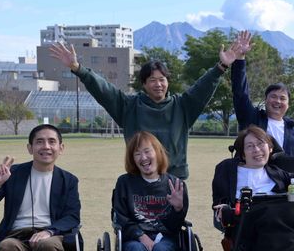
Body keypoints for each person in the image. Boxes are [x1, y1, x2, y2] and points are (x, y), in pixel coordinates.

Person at [49, 38, 244, 179]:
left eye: (162, 79)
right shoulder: (129, 107)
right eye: (152, 80)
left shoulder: (182, 106)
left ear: (168, 82)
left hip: (174, 180)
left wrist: (221, 66)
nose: (158, 84)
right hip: (138, 180)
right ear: (144, 84)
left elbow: (202, 87)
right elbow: (104, 90)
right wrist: (77, 68)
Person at [231, 30, 294, 206]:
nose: (277, 101)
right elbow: (240, 93)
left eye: (282, 98)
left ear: (288, 104)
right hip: (255, 186)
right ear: (265, 100)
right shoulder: (253, 119)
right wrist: (240, 59)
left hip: (286, 190)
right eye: (273, 97)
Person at [212, 125, 294, 251]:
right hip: (245, 226)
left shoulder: (279, 174)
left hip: (283, 232)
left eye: (261, 144)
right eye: (250, 146)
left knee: (291, 211)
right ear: (242, 153)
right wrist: (223, 208)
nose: (256, 150)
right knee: (269, 213)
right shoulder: (227, 171)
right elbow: (219, 203)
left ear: (270, 148)